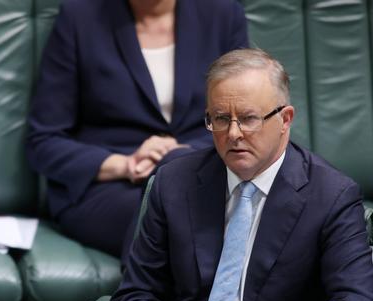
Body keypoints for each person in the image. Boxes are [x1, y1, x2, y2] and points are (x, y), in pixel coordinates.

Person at [109, 49, 373, 301]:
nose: (233, 133)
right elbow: (133, 297)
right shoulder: (174, 182)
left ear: (285, 119)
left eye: (249, 118)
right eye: (221, 118)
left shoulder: (331, 195)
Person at [26, 0, 249, 257]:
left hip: (202, 171)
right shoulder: (80, 17)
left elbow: (243, 116)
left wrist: (176, 158)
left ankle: (141, 295)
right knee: (176, 210)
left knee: (187, 194)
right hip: (111, 187)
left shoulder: (222, 13)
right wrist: (125, 164)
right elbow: (43, 141)